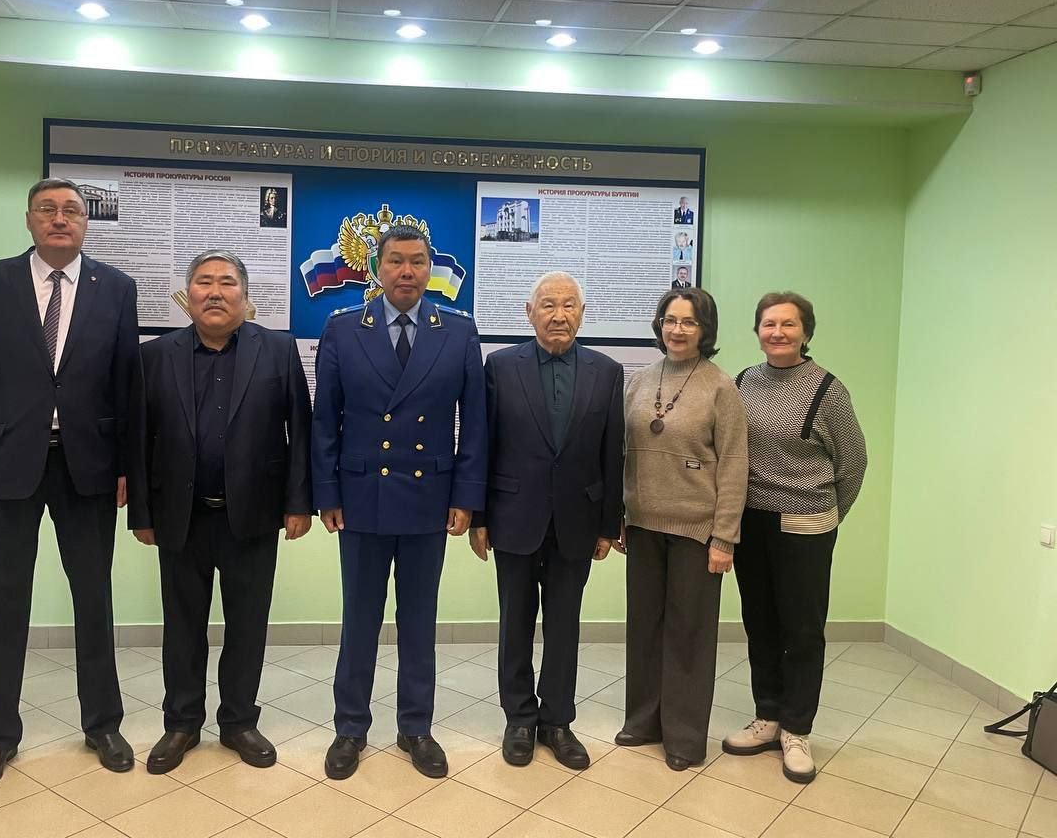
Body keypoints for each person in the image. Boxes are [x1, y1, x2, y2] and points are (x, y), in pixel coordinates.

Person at [0, 177, 138, 793]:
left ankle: (102, 724)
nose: (60, 218)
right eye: (47, 209)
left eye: (71, 211)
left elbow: (125, 384)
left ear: (85, 223)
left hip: (89, 465)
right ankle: (0, 734)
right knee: (5, 600)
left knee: (94, 598)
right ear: (29, 219)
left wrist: (128, 466)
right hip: (4, 463)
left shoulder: (117, 288)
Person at [311, 223, 487, 781]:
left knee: (418, 620)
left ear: (429, 269)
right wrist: (327, 493)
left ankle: (416, 727)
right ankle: (350, 728)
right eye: (395, 261)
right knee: (359, 619)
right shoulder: (343, 329)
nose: (406, 272)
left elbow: (474, 426)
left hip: (428, 499)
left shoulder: (457, 332)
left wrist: (466, 497)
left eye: (417, 261)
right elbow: (325, 422)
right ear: (376, 268)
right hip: (361, 496)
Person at [127, 250, 312, 775]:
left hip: (253, 515)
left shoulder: (277, 350)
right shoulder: (155, 355)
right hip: (179, 516)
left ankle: (238, 722)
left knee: (247, 625)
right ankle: (182, 723)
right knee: (181, 626)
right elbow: (138, 439)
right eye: (204, 282)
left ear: (244, 296)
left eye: (227, 282)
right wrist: (141, 512)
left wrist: (299, 503)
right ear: (187, 296)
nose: (215, 292)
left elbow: (300, 430)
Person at [470, 272, 623, 770]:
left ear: (582, 313)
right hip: (514, 515)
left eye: (569, 305)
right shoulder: (500, 366)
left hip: (578, 519)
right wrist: (478, 517)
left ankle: (557, 721)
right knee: (515, 622)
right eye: (549, 305)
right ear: (529, 312)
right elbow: (483, 444)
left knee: (564, 625)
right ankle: (519, 718)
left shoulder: (606, 371)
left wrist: (609, 524)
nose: (560, 315)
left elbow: (613, 451)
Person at [722, 292, 867, 784]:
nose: (778, 332)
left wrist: (828, 516)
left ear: (806, 332)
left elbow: (853, 463)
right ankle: (768, 715)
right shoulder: (743, 381)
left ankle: (797, 730)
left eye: (788, 324)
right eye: (769, 324)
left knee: (802, 630)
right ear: (757, 331)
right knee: (760, 622)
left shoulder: (828, 390)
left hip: (806, 523)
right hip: (751, 520)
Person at [615, 288, 747, 771]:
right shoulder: (639, 381)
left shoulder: (721, 387)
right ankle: (643, 721)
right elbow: (624, 454)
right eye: (670, 320)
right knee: (644, 627)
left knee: (689, 634)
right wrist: (620, 515)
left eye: (689, 322)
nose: (677, 329)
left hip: (697, 530)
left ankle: (685, 736)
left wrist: (724, 537)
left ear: (705, 329)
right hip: (643, 525)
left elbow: (734, 464)